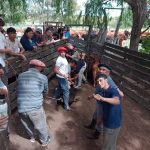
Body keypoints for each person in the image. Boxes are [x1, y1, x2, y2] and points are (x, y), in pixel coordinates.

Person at [17, 59, 51, 147]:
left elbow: (17, 89)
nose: (42, 69)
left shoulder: (20, 76)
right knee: (41, 125)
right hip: (34, 107)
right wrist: (45, 96)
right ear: (38, 67)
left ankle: (32, 137)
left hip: (21, 107)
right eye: (41, 68)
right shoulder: (43, 77)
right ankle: (44, 141)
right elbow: (46, 91)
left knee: (27, 124)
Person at [85, 64, 124, 139]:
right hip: (99, 101)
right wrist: (92, 96)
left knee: (100, 118)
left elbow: (120, 93)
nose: (101, 71)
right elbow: (98, 90)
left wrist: (119, 94)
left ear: (108, 72)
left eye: (104, 70)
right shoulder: (100, 77)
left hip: (103, 103)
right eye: (100, 69)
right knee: (96, 114)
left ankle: (96, 133)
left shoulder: (108, 80)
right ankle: (92, 125)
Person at [93, 73, 122, 150]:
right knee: (110, 145)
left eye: (100, 80)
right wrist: (100, 120)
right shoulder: (103, 92)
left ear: (106, 80)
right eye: (97, 82)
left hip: (112, 124)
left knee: (106, 146)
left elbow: (117, 101)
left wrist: (103, 99)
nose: (99, 83)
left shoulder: (112, 90)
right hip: (108, 123)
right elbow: (105, 108)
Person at [0, 63, 9, 150]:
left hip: (2, 104)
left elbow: (5, 92)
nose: (2, 71)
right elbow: (4, 91)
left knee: (3, 128)